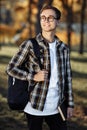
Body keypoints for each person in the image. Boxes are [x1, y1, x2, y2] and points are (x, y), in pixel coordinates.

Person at [6, 5, 74, 130]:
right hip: (34, 106)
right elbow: (10, 68)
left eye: (50, 17)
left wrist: (70, 104)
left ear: (58, 21)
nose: (46, 20)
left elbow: (67, 78)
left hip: (57, 107)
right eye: (43, 18)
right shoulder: (30, 45)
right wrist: (33, 76)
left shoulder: (63, 48)